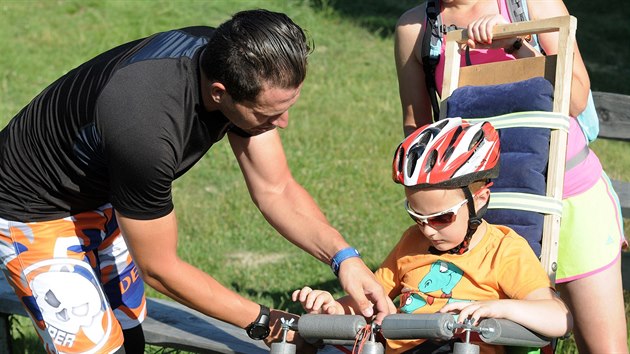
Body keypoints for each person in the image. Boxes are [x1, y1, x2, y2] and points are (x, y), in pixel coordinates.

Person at [0, 9, 390, 353]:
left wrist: (346, 259)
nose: (284, 123)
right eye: (269, 113)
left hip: (105, 190)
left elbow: (277, 189)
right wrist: (270, 323)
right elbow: (160, 268)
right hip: (30, 207)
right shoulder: (146, 128)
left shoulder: (234, 59)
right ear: (220, 93)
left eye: (286, 108)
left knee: (128, 331)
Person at [393, 1, 628, 352]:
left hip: (573, 199)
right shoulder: (416, 29)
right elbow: (420, 135)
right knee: (513, 345)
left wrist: (515, 46)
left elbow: (577, 99)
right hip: (487, 214)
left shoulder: (530, 3)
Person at [293, 118, 572, 353]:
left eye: (442, 217)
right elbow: (369, 303)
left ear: (480, 199)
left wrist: (499, 308)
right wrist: (334, 309)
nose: (427, 229)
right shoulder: (410, 242)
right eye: (416, 217)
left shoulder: (503, 250)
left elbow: (560, 318)